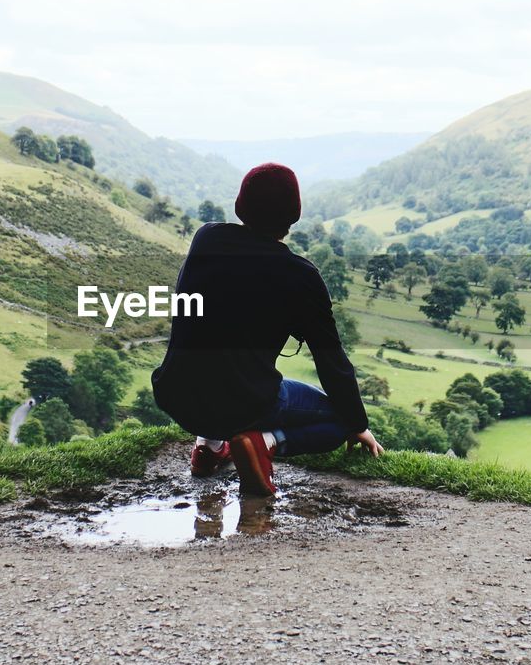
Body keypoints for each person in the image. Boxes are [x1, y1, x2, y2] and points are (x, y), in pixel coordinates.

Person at [152, 162, 384, 496]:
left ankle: (209, 448)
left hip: (177, 393)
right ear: (293, 215)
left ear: (240, 206)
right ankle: (264, 443)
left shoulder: (206, 238)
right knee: (338, 421)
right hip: (243, 403)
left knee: (221, 372)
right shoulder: (301, 277)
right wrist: (358, 425)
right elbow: (331, 361)